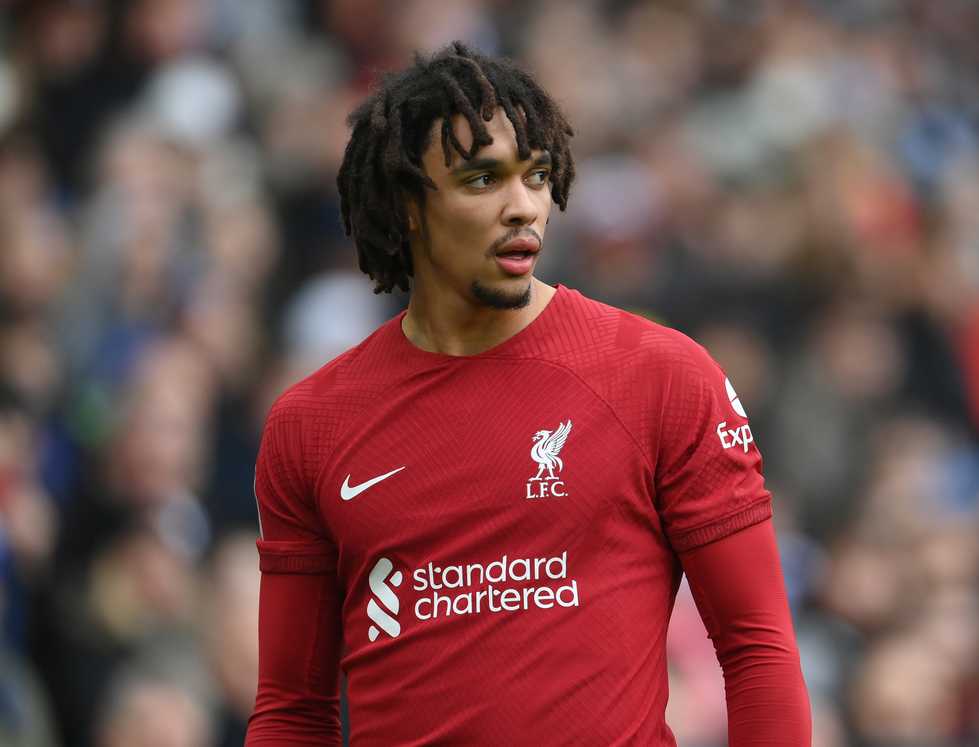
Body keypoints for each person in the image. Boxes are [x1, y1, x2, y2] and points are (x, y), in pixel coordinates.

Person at [246, 41, 811, 746]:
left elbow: (757, 650)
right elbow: (292, 711)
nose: (524, 208)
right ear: (407, 206)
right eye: (482, 180)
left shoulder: (663, 376)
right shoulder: (311, 426)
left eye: (537, 175)